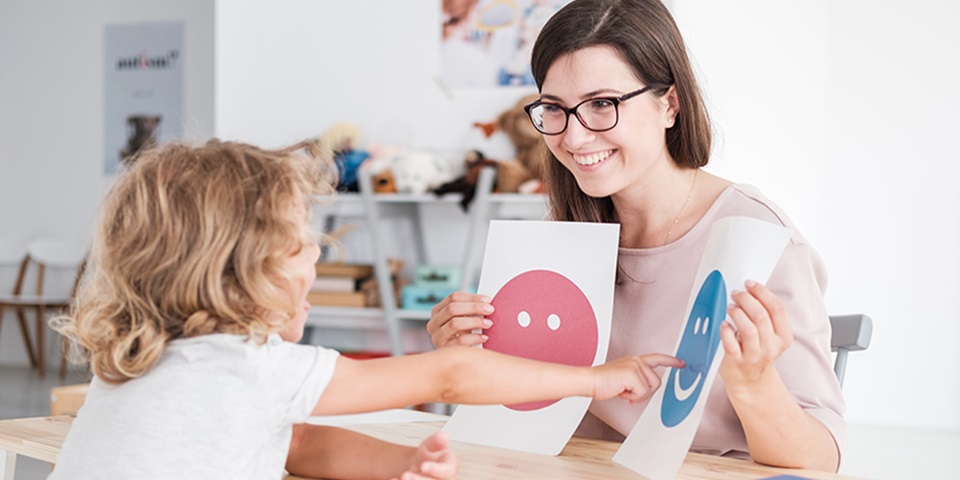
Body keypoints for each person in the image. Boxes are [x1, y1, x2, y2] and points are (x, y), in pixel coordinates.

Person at [50, 138, 682, 480]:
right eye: (300, 245)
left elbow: (295, 446)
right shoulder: (249, 368)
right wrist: (596, 378)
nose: (315, 261)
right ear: (240, 271)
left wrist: (403, 462)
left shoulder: (138, 366)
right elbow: (450, 373)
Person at [426, 0, 845, 472]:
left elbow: (820, 458)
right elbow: (522, 411)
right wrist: (468, 352)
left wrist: (753, 382)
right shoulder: (562, 234)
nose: (575, 137)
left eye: (603, 105)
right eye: (555, 109)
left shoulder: (759, 241)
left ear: (669, 103)